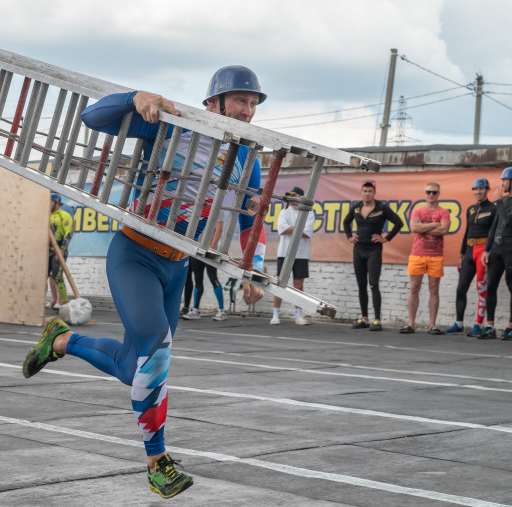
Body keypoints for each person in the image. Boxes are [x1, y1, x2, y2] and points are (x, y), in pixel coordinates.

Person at [22, 65, 267, 499]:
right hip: (135, 254)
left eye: (253, 103)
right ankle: (157, 461)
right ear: (213, 103)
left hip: (178, 266)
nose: (247, 111)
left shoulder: (248, 155)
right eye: (240, 100)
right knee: (155, 349)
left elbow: (250, 216)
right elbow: (92, 117)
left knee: (133, 366)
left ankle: (61, 340)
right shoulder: (171, 127)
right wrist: (135, 97)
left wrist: (255, 268)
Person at [478, 167, 512, 341]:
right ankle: (490, 326)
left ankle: (510, 328)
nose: (501, 184)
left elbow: (508, 221)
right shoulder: (504, 199)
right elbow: (495, 226)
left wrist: (499, 202)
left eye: (503, 181)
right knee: (491, 286)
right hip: (497, 248)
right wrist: (487, 249)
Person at [342, 180, 403, 331]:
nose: (367, 193)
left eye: (370, 191)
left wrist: (386, 238)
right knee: (361, 285)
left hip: (374, 251)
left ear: (374, 193)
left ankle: (377, 320)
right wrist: (349, 236)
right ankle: (364, 318)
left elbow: (399, 223)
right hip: (358, 250)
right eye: (365, 191)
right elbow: (345, 222)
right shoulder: (356, 208)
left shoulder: (381, 208)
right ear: (361, 192)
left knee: (373, 284)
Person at [446, 178, 496, 336]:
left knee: (481, 289)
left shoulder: (493, 208)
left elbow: (493, 233)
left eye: (481, 189)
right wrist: (461, 254)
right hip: (469, 250)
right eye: (475, 189)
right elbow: (467, 232)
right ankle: (459, 324)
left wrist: (488, 250)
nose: (478, 192)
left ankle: (478, 325)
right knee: (461, 288)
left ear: (487, 190)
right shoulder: (471, 209)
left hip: (483, 250)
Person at [400, 182, 451, 334]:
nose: (431, 195)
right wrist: (435, 224)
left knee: (433, 290)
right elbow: (414, 228)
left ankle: (432, 325)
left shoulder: (444, 212)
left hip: (436, 256)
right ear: (425, 193)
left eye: (434, 192)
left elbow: (445, 230)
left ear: (438, 194)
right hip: (417, 254)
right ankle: (411, 324)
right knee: (414, 288)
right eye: (428, 192)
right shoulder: (417, 211)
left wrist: (425, 226)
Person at [271, 187, 315, 326]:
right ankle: (275, 315)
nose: (291, 198)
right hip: (285, 252)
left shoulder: (309, 213)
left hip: (301, 253)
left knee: (299, 285)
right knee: (280, 284)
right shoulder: (284, 212)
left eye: (294, 196)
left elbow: (307, 233)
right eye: (289, 196)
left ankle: (298, 316)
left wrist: (291, 228)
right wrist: (298, 227)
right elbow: (282, 230)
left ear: (301, 197)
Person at [182, 221, 227, 321]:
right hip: (197, 251)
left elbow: (219, 230)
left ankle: (222, 310)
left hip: (210, 252)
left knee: (213, 279)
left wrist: (210, 249)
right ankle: (195, 310)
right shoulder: (199, 208)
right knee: (198, 281)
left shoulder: (218, 210)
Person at [48, 193, 73, 310]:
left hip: (59, 250)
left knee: (57, 276)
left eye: (50, 202)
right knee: (47, 276)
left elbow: (68, 234)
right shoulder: (47, 215)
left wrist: (62, 250)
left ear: (56, 203)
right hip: (47, 251)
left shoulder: (64, 215)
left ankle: (63, 302)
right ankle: (53, 300)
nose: (48, 204)